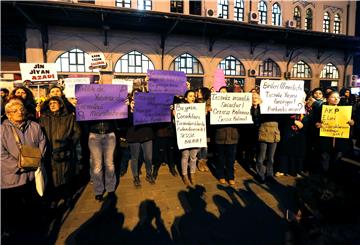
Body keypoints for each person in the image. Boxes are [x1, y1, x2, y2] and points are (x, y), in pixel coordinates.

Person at [1, 100, 46, 239]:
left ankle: (31, 229)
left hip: (32, 174)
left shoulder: (34, 126)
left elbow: (42, 143)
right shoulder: (2, 130)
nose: (19, 112)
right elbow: (1, 154)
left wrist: (37, 159)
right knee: (12, 207)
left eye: (21, 109)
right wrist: (18, 165)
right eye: (14, 110)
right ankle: (13, 231)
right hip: (11, 177)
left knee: (31, 204)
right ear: (8, 115)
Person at [39, 96, 81, 207]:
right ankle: (54, 198)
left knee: (66, 176)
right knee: (51, 177)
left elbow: (77, 132)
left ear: (61, 104)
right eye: (50, 103)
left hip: (64, 152)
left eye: (55, 103)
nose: (52, 105)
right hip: (49, 153)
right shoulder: (44, 118)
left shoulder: (69, 118)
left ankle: (67, 197)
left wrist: (69, 144)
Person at [314, 91, 355, 175]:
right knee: (324, 161)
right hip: (325, 140)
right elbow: (314, 121)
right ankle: (323, 180)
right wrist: (317, 124)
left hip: (340, 141)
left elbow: (353, 122)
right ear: (327, 99)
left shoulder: (344, 110)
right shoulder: (321, 109)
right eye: (333, 97)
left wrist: (352, 122)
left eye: (338, 97)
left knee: (337, 161)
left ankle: (333, 180)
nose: (336, 99)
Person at [126, 97, 155, 187]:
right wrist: (130, 109)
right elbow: (126, 122)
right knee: (135, 157)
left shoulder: (147, 108)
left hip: (147, 135)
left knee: (149, 157)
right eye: (133, 100)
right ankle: (135, 177)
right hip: (134, 136)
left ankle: (149, 174)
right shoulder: (127, 111)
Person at [213, 86, 239, 185]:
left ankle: (231, 176)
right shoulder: (215, 105)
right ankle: (221, 175)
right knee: (220, 158)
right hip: (220, 136)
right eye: (221, 92)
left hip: (232, 136)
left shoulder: (234, 104)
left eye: (225, 92)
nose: (223, 93)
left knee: (231, 159)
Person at [87, 119, 118, 201]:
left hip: (109, 133)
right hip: (94, 134)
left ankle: (110, 188)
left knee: (109, 164)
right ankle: (98, 191)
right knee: (97, 165)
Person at [175, 90, 200, 186]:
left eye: (194, 96)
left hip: (196, 136)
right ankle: (185, 175)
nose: (193, 97)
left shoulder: (199, 108)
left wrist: (205, 113)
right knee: (185, 156)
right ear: (185, 98)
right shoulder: (180, 108)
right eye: (190, 96)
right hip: (185, 137)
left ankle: (192, 174)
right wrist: (175, 115)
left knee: (193, 157)